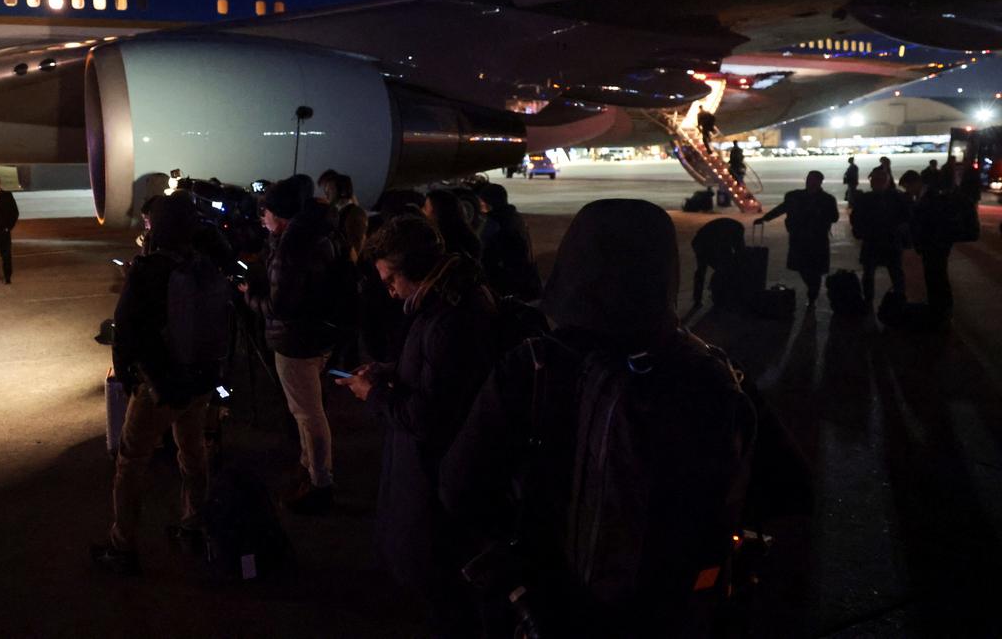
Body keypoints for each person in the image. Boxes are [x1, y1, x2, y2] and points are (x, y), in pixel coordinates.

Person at [439, 200, 756, 637]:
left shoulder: (534, 366)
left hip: (552, 599)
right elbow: (761, 492)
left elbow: (458, 485)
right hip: (664, 608)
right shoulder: (708, 374)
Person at [336, 215, 498, 636]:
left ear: (415, 268)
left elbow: (427, 416)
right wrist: (390, 370)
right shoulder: (446, 299)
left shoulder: (448, 318)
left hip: (436, 477)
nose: (388, 290)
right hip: (434, 473)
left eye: (391, 279)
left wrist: (373, 393)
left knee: (442, 590)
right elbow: (435, 373)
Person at [92, 192, 229, 575]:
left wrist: (126, 378)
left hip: (160, 386)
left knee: (131, 460)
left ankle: (122, 546)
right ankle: (192, 525)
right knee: (193, 451)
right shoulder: (203, 265)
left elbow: (126, 332)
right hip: (200, 380)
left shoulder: (148, 269)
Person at [242, 178, 338, 513]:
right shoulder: (317, 234)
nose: (262, 218)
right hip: (318, 335)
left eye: (266, 211)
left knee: (308, 414)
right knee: (308, 411)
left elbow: (279, 306)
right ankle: (309, 468)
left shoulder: (292, 247)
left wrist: (250, 295)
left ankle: (320, 483)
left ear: (280, 215)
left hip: (296, 340)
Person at [754, 170, 839, 305]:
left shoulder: (826, 199)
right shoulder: (795, 196)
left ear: (819, 182)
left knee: (814, 270)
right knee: (804, 269)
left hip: (817, 240)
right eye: (809, 179)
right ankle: (812, 292)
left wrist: (819, 213)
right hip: (800, 239)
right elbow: (782, 208)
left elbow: (834, 217)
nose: (810, 182)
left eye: (813, 180)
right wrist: (765, 218)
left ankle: (812, 296)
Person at [898, 170, 955, 320]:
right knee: (935, 276)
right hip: (933, 245)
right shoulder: (926, 196)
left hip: (935, 245)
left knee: (937, 276)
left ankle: (941, 308)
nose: (908, 191)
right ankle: (939, 306)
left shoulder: (931, 197)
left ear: (916, 183)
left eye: (908, 187)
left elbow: (930, 223)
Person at [849, 167, 909, 305]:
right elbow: (906, 218)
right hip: (887, 241)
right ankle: (899, 301)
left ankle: (870, 302)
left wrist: (861, 232)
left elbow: (855, 218)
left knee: (871, 273)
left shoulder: (866, 198)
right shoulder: (896, 197)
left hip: (876, 241)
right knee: (894, 272)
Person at [476, 183, 542, 300]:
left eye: (483, 203)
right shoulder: (515, 217)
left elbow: (483, 248)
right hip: (521, 275)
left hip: (503, 279)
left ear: (490, 203)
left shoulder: (494, 223)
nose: (481, 207)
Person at [690, 217, 745, 307]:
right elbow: (739, 250)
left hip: (700, 241)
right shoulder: (734, 231)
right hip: (703, 243)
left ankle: (698, 298)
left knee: (703, 270)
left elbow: (735, 249)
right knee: (721, 268)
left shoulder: (731, 229)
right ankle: (716, 292)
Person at [422, 188, 482, 261]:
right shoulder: (468, 237)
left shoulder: (439, 244)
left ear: (438, 213)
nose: (422, 211)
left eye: (425, 208)